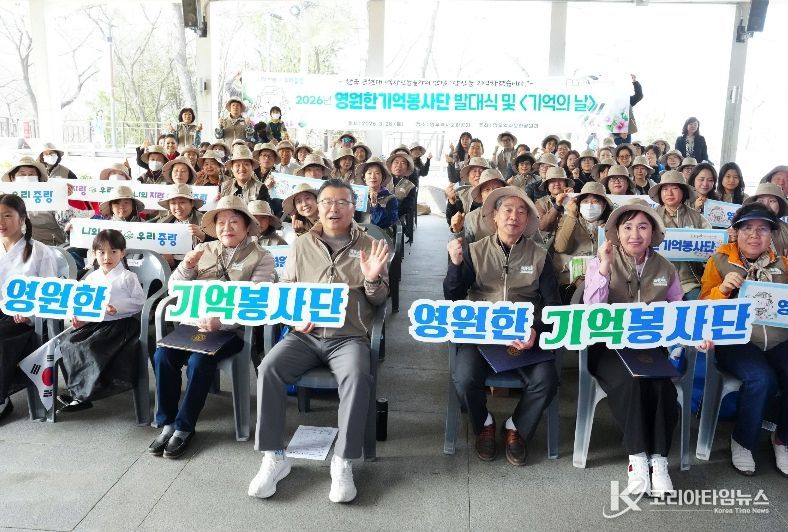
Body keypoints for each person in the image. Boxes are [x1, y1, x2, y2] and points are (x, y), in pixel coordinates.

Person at [249, 179, 389, 502]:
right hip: (305, 336)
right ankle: (274, 456)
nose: (333, 209)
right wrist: (293, 317)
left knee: (357, 376)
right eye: (327, 202)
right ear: (318, 207)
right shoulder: (301, 244)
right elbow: (286, 289)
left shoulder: (370, 245)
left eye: (342, 202)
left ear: (354, 207)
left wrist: (372, 280)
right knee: (269, 368)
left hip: (348, 338)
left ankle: (343, 461)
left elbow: (381, 300)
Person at [584, 199, 707, 497]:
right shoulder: (599, 262)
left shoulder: (665, 267)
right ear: (617, 232)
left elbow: (679, 310)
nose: (635, 234)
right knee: (633, 382)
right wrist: (604, 267)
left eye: (642, 227)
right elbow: (592, 310)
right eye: (627, 227)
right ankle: (637, 459)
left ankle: (659, 460)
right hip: (609, 347)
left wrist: (696, 335)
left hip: (650, 346)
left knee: (663, 387)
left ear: (653, 232)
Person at [443, 186, 560, 466]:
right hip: (481, 333)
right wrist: (455, 266)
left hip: (524, 335)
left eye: (521, 212)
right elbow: (453, 298)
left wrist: (536, 330)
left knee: (547, 380)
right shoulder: (474, 251)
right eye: (507, 210)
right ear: (494, 216)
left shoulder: (540, 256)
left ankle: (516, 427)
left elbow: (553, 306)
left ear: (528, 220)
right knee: (464, 378)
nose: (513, 217)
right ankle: (483, 422)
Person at [150, 196, 275, 458]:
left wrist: (223, 321)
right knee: (163, 355)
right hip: (193, 325)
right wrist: (187, 266)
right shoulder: (204, 249)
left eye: (234, 221)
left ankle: (184, 427)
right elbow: (175, 289)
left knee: (199, 361)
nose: (226, 227)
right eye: (221, 222)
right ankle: (167, 422)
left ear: (247, 226)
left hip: (230, 331)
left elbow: (257, 302)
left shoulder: (262, 257)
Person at [700, 203, 788, 476]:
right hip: (737, 342)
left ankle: (782, 439)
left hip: (778, 340)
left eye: (762, 229)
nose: (754, 235)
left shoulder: (783, 264)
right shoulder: (719, 260)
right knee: (761, 378)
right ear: (736, 232)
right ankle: (743, 441)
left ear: (772, 234)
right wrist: (722, 290)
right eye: (747, 228)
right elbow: (702, 305)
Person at [56, 230, 146, 413]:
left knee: (89, 347)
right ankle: (78, 392)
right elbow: (82, 302)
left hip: (120, 325)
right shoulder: (92, 277)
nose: (107, 257)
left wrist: (117, 307)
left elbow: (139, 302)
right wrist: (78, 316)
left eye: (113, 252)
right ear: (94, 254)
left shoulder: (128, 277)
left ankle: (83, 395)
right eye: (101, 252)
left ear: (122, 253)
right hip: (95, 324)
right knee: (66, 344)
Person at [0, 194, 58, 423]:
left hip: (26, 319)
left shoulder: (39, 251)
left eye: (7, 215)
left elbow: (50, 294)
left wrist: (28, 310)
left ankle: (1, 398)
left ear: (22, 218)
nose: (1, 222)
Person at [649, 171, 710, 300]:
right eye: (665, 189)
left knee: (696, 305)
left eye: (675, 188)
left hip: (689, 281)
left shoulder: (696, 217)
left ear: (683, 192)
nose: (669, 193)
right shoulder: (651, 217)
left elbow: (711, 245)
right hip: (657, 279)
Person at [553, 181, 613, 303]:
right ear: (578, 205)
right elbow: (561, 247)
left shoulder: (611, 226)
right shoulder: (567, 220)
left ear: (604, 206)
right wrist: (571, 216)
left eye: (595, 202)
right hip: (570, 283)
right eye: (585, 201)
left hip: (602, 281)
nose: (590, 205)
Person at [1, 156, 68, 246]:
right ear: (12, 178)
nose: (27, 177)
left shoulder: (50, 196)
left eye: (31, 174)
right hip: (14, 247)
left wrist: (64, 196)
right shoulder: (4, 200)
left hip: (49, 246)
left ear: (38, 178)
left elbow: (65, 222)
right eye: (22, 174)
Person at [148, 183, 207, 268]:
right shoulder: (162, 223)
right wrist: (163, 255)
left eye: (182, 202)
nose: (177, 207)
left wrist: (202, 236)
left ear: (192, 203)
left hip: (198, 267)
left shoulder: (205, 222)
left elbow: (215, 245)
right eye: (173, 203)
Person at [450, 168, 506, 244]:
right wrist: (457, 231)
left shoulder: (515, 213)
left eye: (497, 188)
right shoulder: (471, 218)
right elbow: (462, 248)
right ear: (481, 195)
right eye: (487, 189)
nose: (492, 193)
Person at [354, 157, 399, 235]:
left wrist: (375, 205)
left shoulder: (390, 198)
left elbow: (384, 223)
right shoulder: (358, 195)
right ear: (364, 177)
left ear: (383, 177)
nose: (373, 176)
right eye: (369, 173)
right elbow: (352, 220)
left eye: (377, 173)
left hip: (381, 236)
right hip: (359, 235)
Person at [742, 182, 788, 258]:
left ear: (780, 206)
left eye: (772, 201)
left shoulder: (786, 228)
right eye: (761, 201)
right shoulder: (742, 226)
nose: (766, 205)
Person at [534, 167, 574, 251]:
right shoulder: (540, 203)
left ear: (566, 183)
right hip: (547, 248)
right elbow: (542, 227)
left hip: (572, 245)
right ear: (547, 185)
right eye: (552, 181)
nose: (557, 183)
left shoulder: (575, 200)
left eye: (561, 180)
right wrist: (557, 205)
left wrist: (571, 199)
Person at [445, 157, 490, 230]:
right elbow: (452, 224)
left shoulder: (496, 192)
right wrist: (452, 202)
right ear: (468, 176)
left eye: (482, 171)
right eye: (474, 171)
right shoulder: (461, 194)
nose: (478, 174)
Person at [387, 152, 417, 244]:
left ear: (407, 168)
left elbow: (406, 207)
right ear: (391, 165)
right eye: (396, 162)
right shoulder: (382, 179)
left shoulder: (410, 186)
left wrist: (391, 215)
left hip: (395, 219)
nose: (399, 165)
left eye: (403, 163)